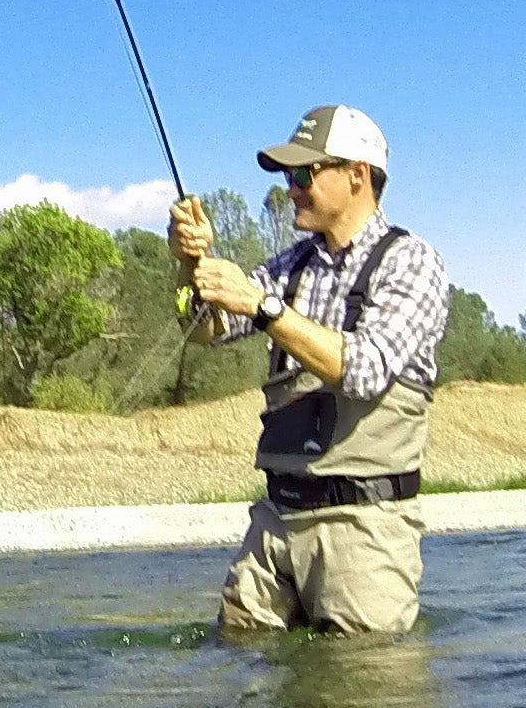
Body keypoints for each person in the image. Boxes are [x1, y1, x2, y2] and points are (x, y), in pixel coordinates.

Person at [169, 104, 452, 635]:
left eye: (304, 174)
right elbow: (205, 329)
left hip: (365, 527)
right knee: (237, 658)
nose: (291, 187)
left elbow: (365, 369)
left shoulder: (412, 262)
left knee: (360, 696)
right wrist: (190, 266)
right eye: (287, 176)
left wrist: (264, 307)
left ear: (357, 175)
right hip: (277, 520)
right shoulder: (291, 266)